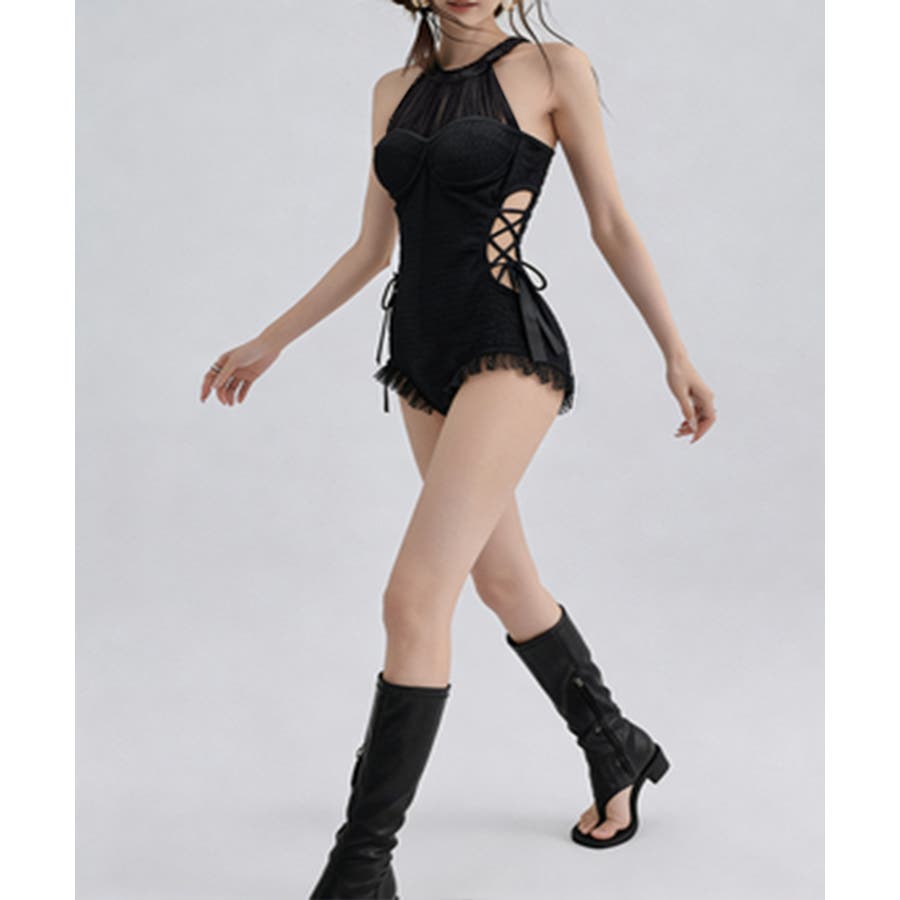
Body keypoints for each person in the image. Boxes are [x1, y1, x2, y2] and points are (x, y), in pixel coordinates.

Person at [200, 2, 717, 897]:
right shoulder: (393, 90)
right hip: (419, 355)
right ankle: (616, 744)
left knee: (413, 597)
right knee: (503, 581)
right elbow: (373, 248)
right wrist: (270, 338)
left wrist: (675, 351)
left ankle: (360, 869)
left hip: (506, 344)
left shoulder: (553, 67)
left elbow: (610, 221)